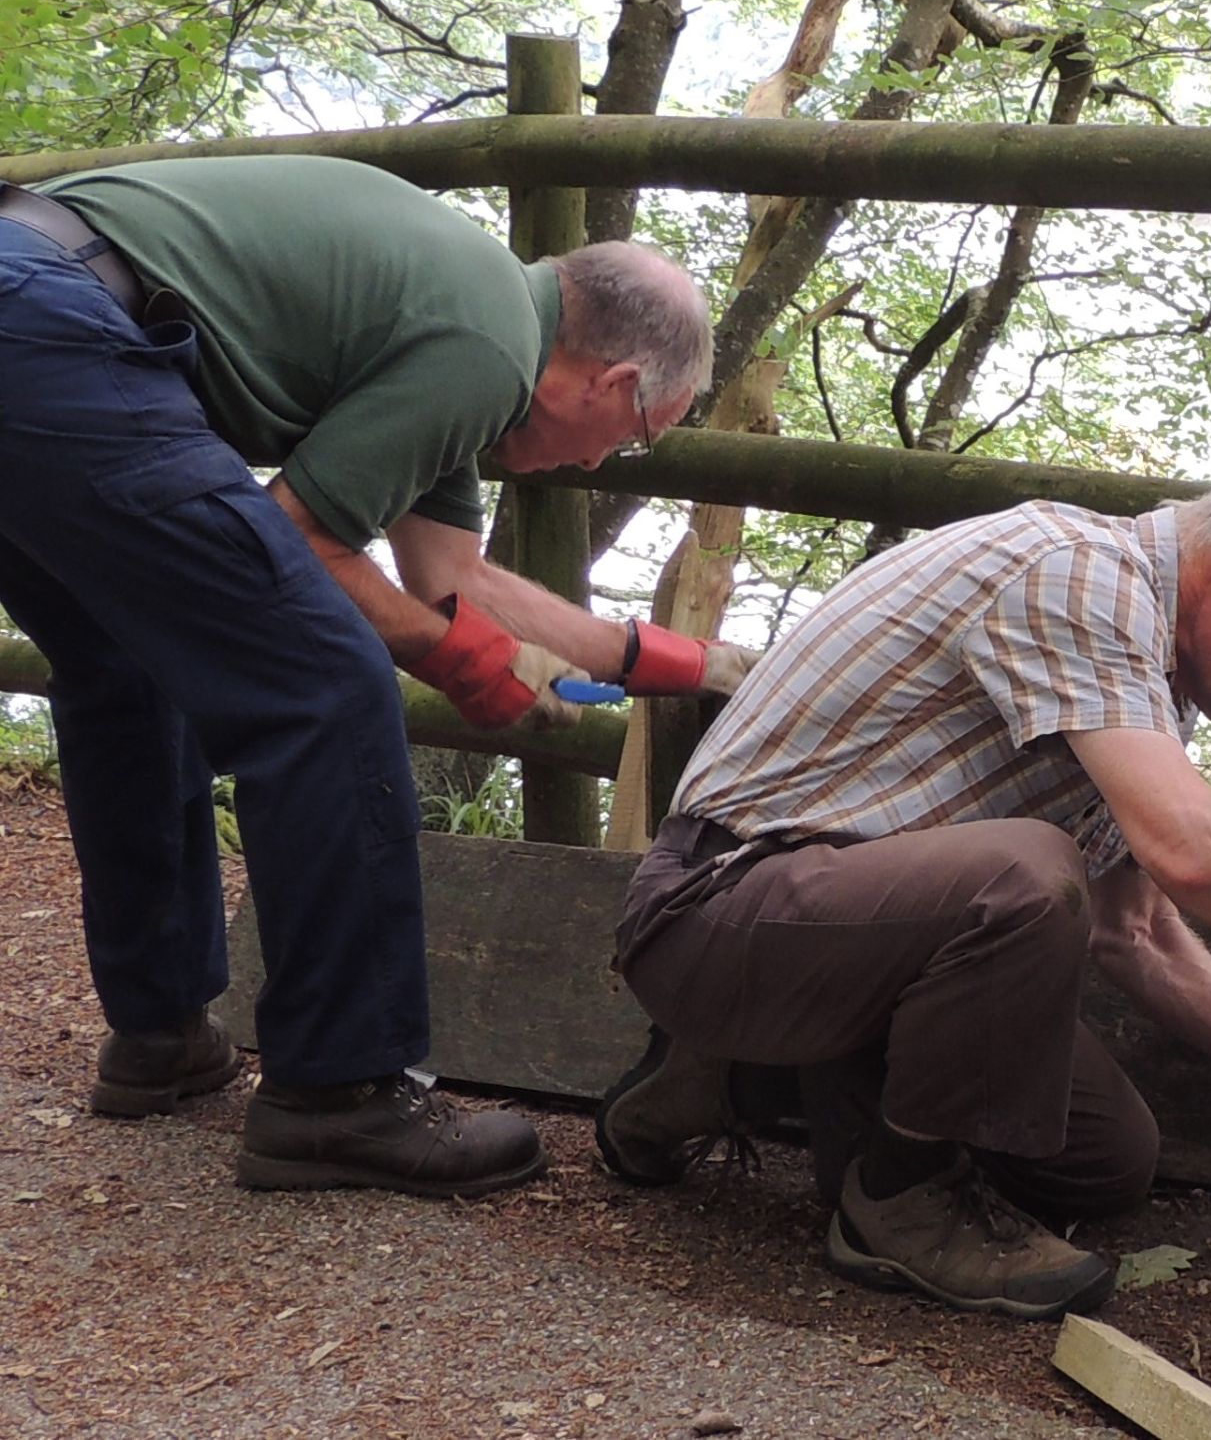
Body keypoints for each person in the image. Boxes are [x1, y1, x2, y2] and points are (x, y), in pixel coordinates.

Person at [0, 153, 752, 1199]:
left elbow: (451, 578)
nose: (595, 466)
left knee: (131, 664)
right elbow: (303, 540)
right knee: (328, 685)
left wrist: (678, 662)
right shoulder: (481, 345)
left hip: (29, 307)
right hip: (48, 323)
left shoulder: (470, 317)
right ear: (615, 383)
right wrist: (447, 657)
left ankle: (161, 1030)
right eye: (629, 439)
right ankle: (338, 1095)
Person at [596, 470, 1211, 1320]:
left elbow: (1132, 927)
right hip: (713, 910)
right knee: (1030, 872)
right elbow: (1184, 845)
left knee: (1105, 1158)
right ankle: (895, 1203)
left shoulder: (1152, 674)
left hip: (851, 950)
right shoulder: (1077, 573)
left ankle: (729, 1081)